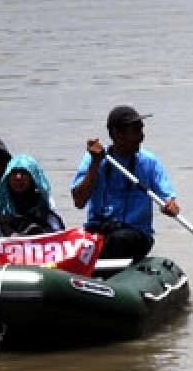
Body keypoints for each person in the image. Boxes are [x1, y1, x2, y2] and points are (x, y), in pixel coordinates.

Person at [71, 105, 179, 261]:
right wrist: (95, 164)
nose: (142, 137)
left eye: (141, 130)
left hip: (135, 235)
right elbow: (79, 201)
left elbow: (168, 199)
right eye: (136, 131)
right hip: (98, 232)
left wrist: (170, 205)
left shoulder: (149, 162)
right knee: (76, 242)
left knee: (119, 239)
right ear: (117, 133)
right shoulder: (94, 159)